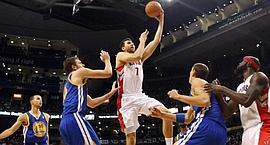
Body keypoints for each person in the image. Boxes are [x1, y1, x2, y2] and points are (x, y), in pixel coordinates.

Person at [115, 10, 173, 145]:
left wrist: (162, 19)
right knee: (131, 137)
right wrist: (142, 41)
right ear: (123, 48)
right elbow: (137, 56)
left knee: (167, 114)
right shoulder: (120, 56)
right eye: (128, 43)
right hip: (126, 100)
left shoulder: (139, 59)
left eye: (132, 42)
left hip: (140, 96)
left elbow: (156, 40)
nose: (132, 43)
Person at [205, 56, 270, 145]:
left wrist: (222, 89)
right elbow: (227, 112)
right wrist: (219, 95)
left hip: (263, 126)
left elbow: (247, 100)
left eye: (242, 61)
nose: (239, 63)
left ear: (249, 63)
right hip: (247, 131)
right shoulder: (240, 87)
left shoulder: (258, 76)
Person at [151, 63, 227, 145]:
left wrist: (177, 96)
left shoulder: (197, 81)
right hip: (220, 133)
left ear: (193, 72)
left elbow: (205, 101)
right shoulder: (198, 94)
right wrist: (162, 115)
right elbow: (187, 118)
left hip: (205, 127)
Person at [59, 51, 117, 145]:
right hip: (75, 117)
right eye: (79, 63)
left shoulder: (70, 86)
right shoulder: (79, 72)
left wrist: (110, 93)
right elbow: (108, 73)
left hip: (65, 122)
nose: (83, 64)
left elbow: (92, 103)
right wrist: (107, 60)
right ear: (74, 67)